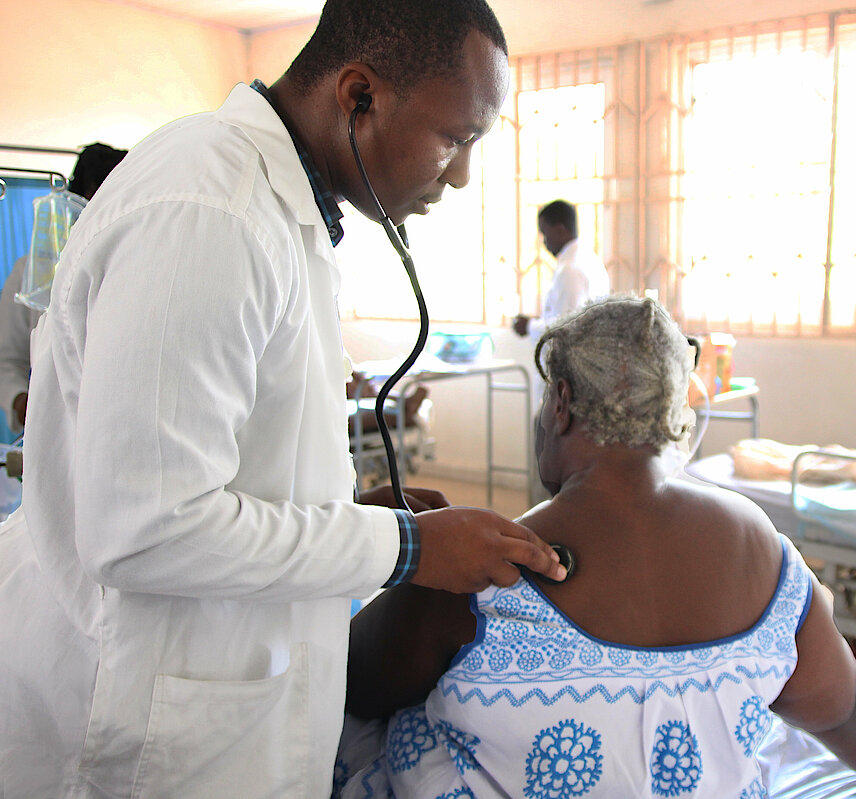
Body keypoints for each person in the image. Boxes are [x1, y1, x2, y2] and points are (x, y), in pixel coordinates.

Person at [0, 1, 566, 796]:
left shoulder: (277, 209)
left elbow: (218, 461)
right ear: (359, 95)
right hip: (141, 711)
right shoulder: (209, 212)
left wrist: (343, 509)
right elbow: (141, 527)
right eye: (454, 138)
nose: (462, 174)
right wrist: (405, 547)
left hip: (208, 689)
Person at [335, 296, 856, 797]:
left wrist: (405, 549)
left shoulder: (487, 572)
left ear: (560, 403)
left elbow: (353, 685)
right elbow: (838, 704)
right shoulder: (763, 547)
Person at [0, 143, 127, 434]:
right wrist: (22, 401)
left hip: (115, 425)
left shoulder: (136, 272)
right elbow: (6, 362)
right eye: (95, 199)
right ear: (75, 202)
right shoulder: (32, 275)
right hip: (54, 428)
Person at [511, 199, 610, 340]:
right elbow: (568, 314)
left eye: (545, 234)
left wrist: (529, 326)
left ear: (560, 230)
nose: (544, 242)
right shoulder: (589, 258)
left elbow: (567, 327)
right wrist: (540, 320)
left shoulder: (570, 269)